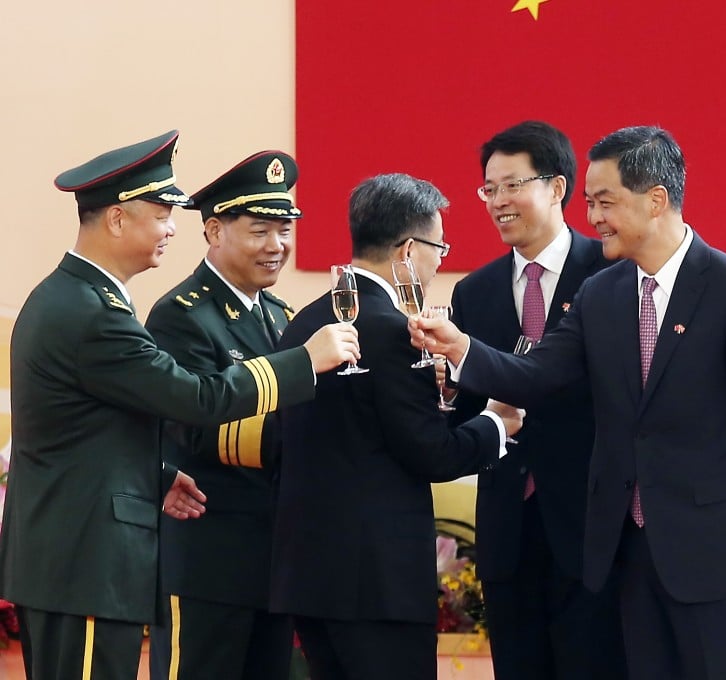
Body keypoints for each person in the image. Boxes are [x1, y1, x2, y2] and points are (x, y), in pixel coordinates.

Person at [412, 125, 726, 679]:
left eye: (605, 201)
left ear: (656, 200)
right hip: (627, 555)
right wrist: (461, 348)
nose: (593, 217)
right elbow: (539, 374)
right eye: (591, 202)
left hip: (714, 555)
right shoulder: (603, 292)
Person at [0, 130, 359, 680]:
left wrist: (158, 474)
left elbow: (91, 429)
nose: (172, 228)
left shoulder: (80, 299)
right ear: (117, 218)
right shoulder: (93, 313)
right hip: (87, 560)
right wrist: (304, 362)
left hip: (80, 557)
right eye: (162, 214)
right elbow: (195, 396)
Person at [269, 173, 524, 680]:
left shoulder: (303, 322)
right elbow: (431, 453)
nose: (440, 261)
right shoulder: (395, 331)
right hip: (377, 582)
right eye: (439, 248)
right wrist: (498, 423)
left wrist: (439, 397)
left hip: (310, 575)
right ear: (408, 250)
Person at [448, 120, 625, 679]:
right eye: (489, 189)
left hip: (592, 528)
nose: (498, 201)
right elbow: (468, 409)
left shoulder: (613, 273)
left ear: (557, 187)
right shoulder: (473, 292)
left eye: (511, 185)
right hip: (508, 531)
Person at [145, 150, 305, 680]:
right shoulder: (182, 316)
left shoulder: (281, 316)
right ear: (214, 231)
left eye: (284, 230)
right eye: (261, 231)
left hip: (274, 561)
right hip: (208, 562)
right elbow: (195, 426)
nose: (276, 245)